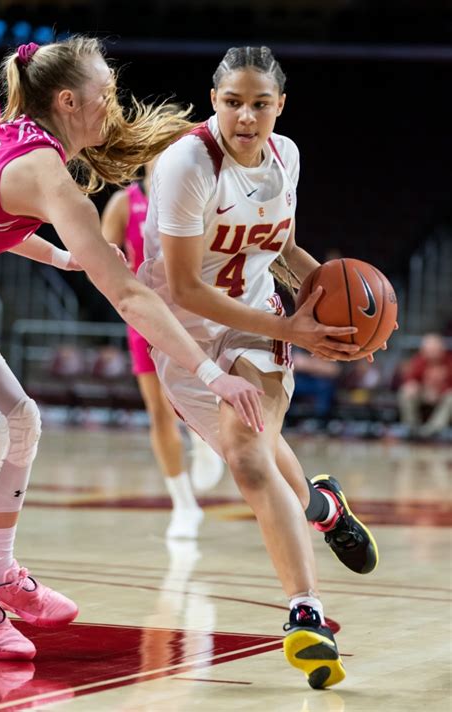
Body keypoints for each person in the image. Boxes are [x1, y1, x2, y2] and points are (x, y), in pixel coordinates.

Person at [0, 37, 264, 661]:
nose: (113, 105)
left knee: (21, 420)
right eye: (105, 95)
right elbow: (131, 298)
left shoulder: (13, 139)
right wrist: (211, 373)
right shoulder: (46, 172)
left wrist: (59, 254)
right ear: (68, 100)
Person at [138, 45, 383, 689]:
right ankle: (322, 507)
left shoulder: (286, 156)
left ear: (280, 105)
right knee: (260, 453)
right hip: (183, 337)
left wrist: (346, 322)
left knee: (248, 456)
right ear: (212, 100)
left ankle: (307, 613)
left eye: (260, 103)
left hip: (252, 324)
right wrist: (294, 328)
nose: (246, 116)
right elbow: (187, 290)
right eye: (232, 102)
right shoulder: (187, 162)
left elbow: (283, 250)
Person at [101, 163, 224, 539]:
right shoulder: (126, 203)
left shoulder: (196, 198)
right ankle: (184, 505)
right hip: (145, 317)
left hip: (190, 313)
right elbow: (99, 258)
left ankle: (204, 441)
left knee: (194, 399)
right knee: (158, 410)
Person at [397, 333, 452, 438]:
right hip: (424, 394)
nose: (430, 352)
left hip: (444, 396)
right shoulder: (419, 360)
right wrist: (413, 385)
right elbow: (410, 378)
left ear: (441, 348)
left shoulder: (449, 361)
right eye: (427, 349)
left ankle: (433, 429)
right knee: (405, 392)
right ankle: (411, 428)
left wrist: (439, 392)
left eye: (433, 349)